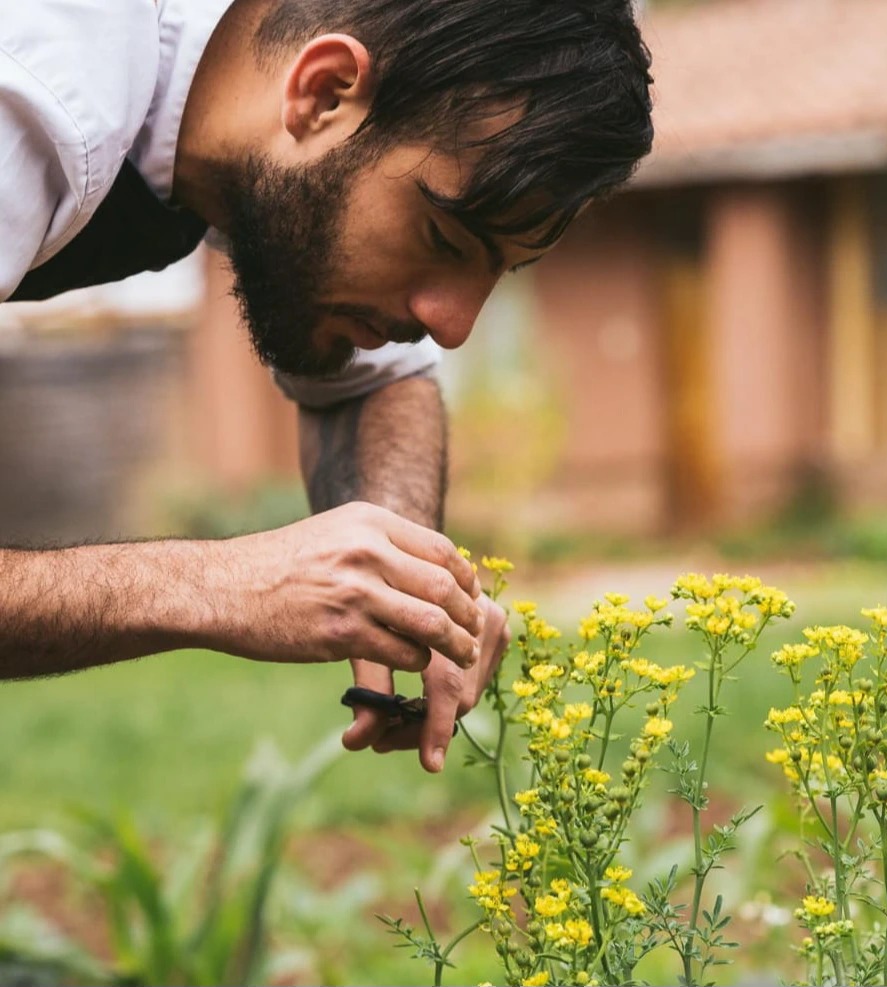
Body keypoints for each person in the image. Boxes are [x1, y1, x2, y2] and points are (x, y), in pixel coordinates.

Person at [0, 0, 654, 770]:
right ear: (323, 92)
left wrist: (406, 591)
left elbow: (374, 388)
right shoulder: (39, 89)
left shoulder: (241, 110)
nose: (453, 326)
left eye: (496, 272)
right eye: (442, 238)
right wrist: (219, 584)